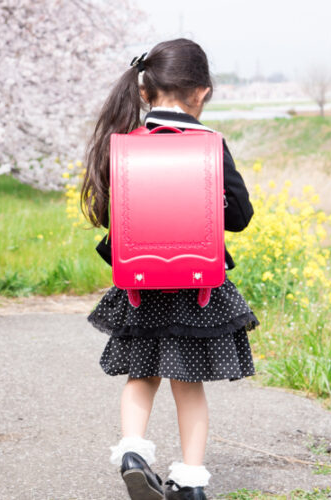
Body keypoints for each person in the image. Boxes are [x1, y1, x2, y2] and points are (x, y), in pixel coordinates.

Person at [80, 39, 258, 500]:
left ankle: (133, 453)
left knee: (140, 376)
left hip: (140, 286)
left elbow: (110, 219)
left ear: (144, 93)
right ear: (202, 92)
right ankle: (189, 481)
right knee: (189, 385)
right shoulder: (210, 145)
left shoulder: (125, 146)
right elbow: (239, 216)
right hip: (196, 288)